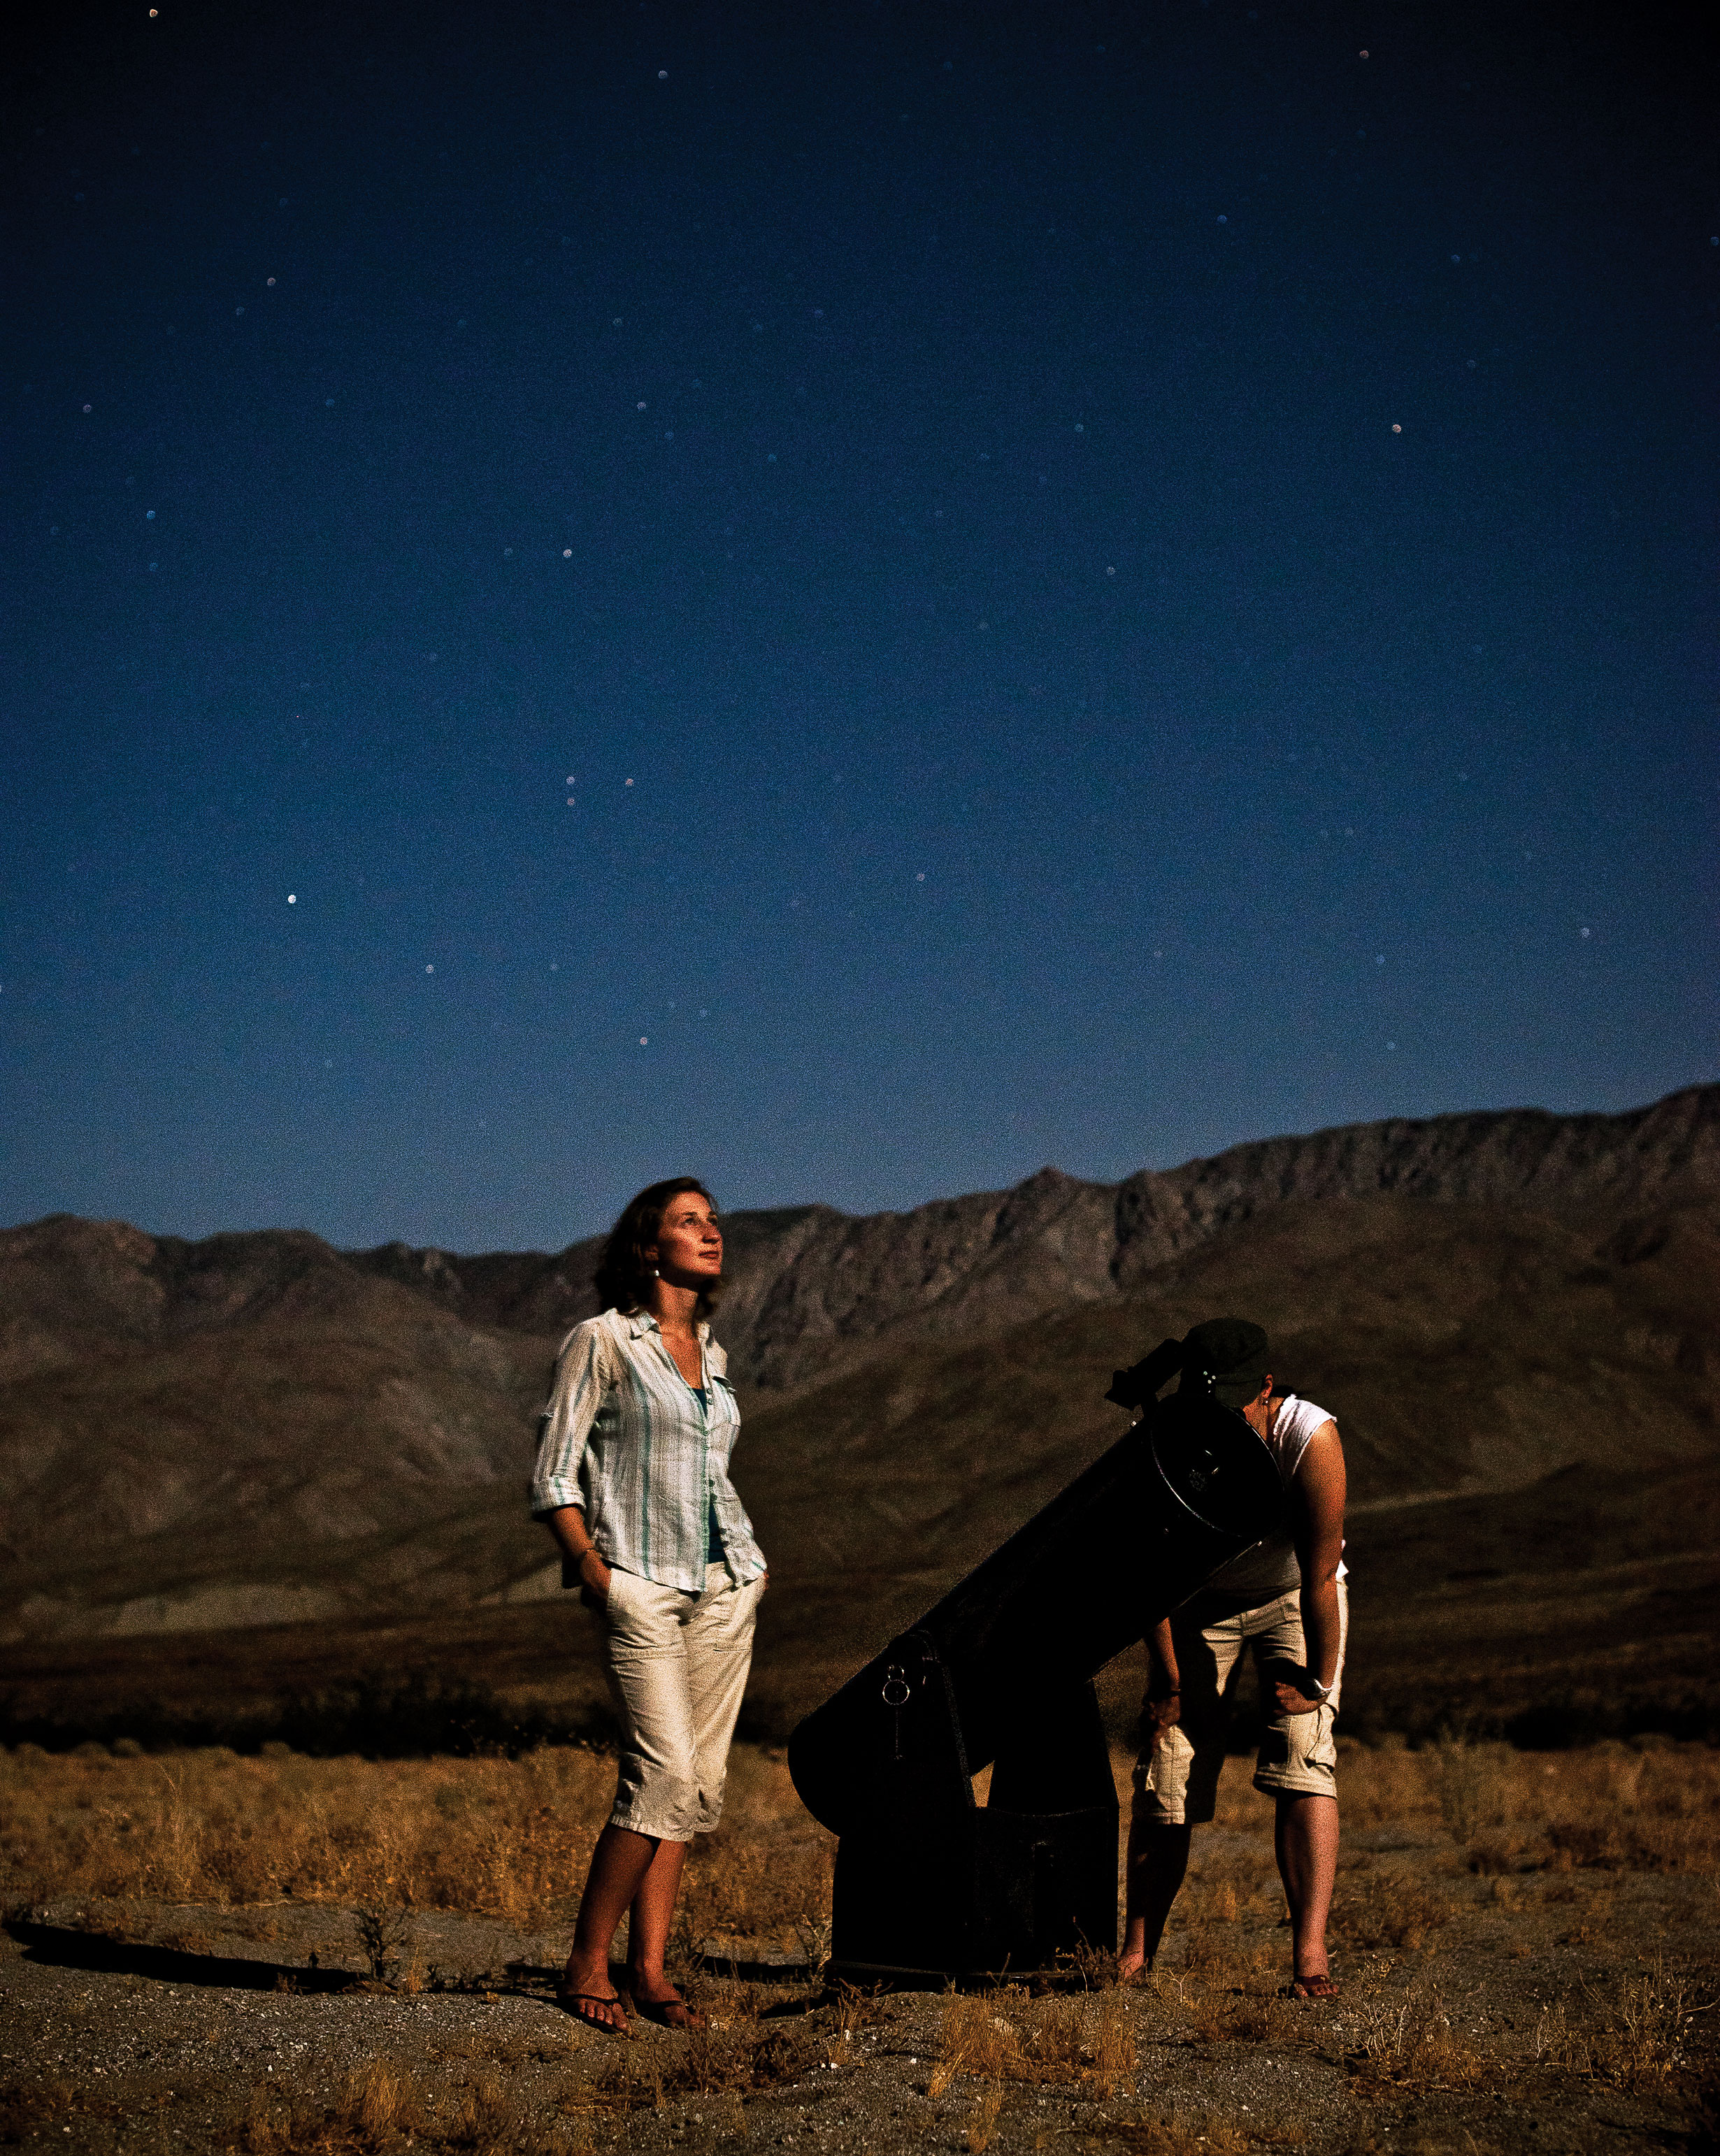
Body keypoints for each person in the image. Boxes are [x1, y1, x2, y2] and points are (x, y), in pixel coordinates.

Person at [530, 1178, 768, 2035]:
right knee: (661, 1774)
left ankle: (652, 1971)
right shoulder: (601, 1342)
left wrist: (748, 1570)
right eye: (689, 1221)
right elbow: (554, 1474)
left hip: (726, 1584)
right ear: (649, 1245)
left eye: (714, 1219)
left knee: (696, 1789)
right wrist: (593, 1571)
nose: (711, 1232)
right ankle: (585, 1963)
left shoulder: (715, 1356)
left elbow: (713, 1479)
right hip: (639, 1582)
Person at [1115, 1318, 1348, 1999]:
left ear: (1267, 1390)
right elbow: (1147, 1576)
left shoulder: (1310, 1439)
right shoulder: (1161, 1442)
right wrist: (1168, 1681)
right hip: (1194, 1604)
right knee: (1169, 1762)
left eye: (1237, 1409)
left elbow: (1321, 1575)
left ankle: (1310, 1958)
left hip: (1290, 1597)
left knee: (1305, 1755)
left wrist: (1320, 1684)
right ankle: (1134, 1956)